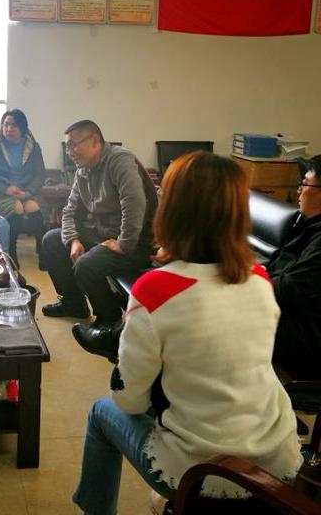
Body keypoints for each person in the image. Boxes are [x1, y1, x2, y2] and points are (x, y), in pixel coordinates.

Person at [72, 151, 302, 514]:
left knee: (104, 411)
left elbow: (130, 402)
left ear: (172, 210)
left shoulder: (155, 290)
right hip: (276, 460)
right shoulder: (260, 280)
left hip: (204, 471)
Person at [42, 120, 157, 331]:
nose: (70, 152)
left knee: (86, 265)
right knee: (52, 240)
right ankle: (73, 303)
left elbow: (135, 203)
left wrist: (124, 243)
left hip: (136, 241)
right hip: (105, 234)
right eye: (67, 147)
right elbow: (70, 210)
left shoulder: (120, 160)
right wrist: (73, 240)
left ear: (95, 141)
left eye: (74, 145)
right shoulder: (83, 170)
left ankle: (109, 321)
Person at [267, 155, 321, 380]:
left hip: (306, 333)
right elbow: (278, 265)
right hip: (288, 311)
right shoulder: (306, 225)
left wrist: (250, 284)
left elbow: (293, 287)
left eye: (305, 184)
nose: (299, 190)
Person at [0, 108, 46, 266]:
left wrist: (28, 192)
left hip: (26, 191)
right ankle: (11, 253)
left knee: (34, 207)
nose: (8, 129)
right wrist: (5, 189)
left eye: (13, 125)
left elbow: (40, 175)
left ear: (22, 127)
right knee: (17, 208)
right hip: (1, 193)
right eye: (5, 124)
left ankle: (42, 251)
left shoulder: (33, 147)